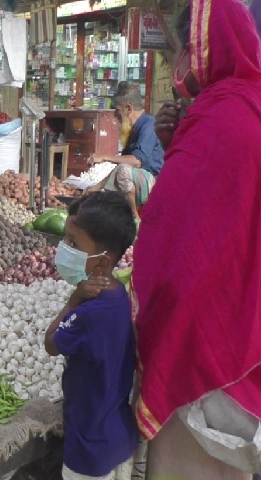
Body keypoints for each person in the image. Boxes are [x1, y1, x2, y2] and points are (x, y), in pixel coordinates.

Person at [133, 1, 261, 478]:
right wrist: (174, 144)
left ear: (204, 45)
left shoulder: (220, 114)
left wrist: (144, 309)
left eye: (184, 48)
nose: (181, 62)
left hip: (206, 342)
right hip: (244, 324)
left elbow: (178, 234)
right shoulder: (251, 101)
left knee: (191, 466)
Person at [44, 191, 138, 480]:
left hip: (88, 449)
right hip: (119, 437)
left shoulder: (87, 314)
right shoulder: (120, 295)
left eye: (73, 242)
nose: (64, 248)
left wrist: (73, 301)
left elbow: (50, 343)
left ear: (102, 260)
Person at [87, 85, 163, 220]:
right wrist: (97, 187)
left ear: (128, 109)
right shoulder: (132, 130)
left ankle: (134, 217)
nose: (115, 116)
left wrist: (104, 157)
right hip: (139, 180)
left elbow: (137, 161)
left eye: (118, 111)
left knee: (123, 171)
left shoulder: (149, 124)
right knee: (113, 186)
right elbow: (121, 167)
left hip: (154, 182)